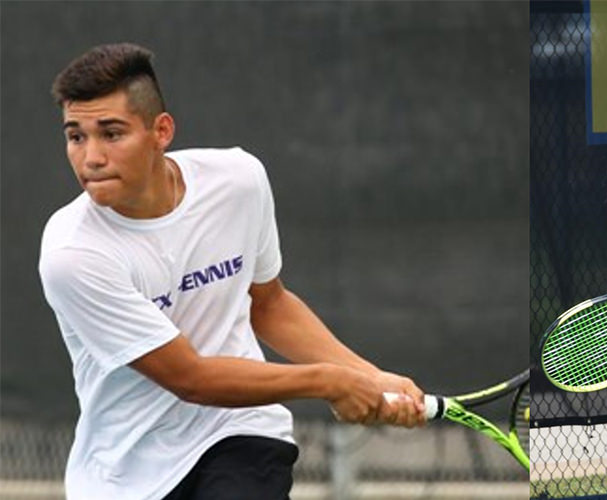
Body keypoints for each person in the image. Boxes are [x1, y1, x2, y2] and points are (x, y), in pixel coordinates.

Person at [37, 43, 426, 499]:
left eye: (112, 133)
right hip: (125, 477)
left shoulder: (239, 181)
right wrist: (331, 381)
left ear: (161, 131)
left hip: (239, 436)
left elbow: (269, 304)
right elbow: (192, 379)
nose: (91, 157)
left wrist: (368, 376)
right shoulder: (73, 253)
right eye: (76, 136)